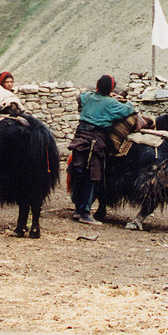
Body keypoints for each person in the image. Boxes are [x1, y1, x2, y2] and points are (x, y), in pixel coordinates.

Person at [68, 75, 135, 224]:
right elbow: (127, 110)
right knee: (93, 176)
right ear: (111, 89)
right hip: (95, 140)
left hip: (79, 137)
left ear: (97, 86)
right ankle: (85, 213)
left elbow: (81, 97)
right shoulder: (111, 103)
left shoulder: (87, 97)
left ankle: (78, 209)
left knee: (79, 172)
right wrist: (127, 101)